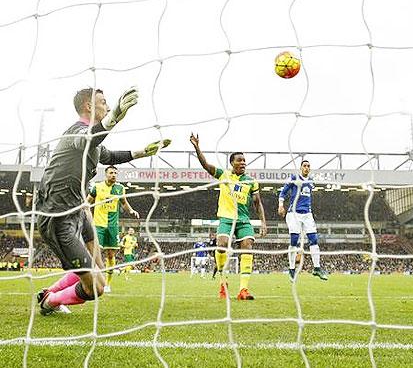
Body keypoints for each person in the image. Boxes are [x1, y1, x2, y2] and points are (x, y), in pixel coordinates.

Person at [35, 87, 170, 315]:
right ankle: (50, 301)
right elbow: (90, 139)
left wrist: (142, 153)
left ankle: (50, 291)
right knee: (96, 288)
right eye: (104, 102)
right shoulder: (76, 133)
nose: (107, 106)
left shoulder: (94, 145)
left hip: (78, 209)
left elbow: (109, 156)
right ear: (89, 106)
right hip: (57, 217)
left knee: (97, 260)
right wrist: (114, 116)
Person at [189, 133, 267, 300]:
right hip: (226, 218)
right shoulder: (224, 175)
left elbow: (257, 203)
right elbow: (206, 165)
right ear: (232, 162)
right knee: (222, 244)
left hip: (243, 220)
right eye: (239, 160)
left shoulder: (251, 181)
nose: (243, 163)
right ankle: (223, 284)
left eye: (244, 160)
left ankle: (243, 290)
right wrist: (197, 148)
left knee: (247, 247)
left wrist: (263, 222)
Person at [88, 165, 139, 292]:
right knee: (96, 254)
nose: (114, 175)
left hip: (113, 226)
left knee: (110, 255)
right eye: (111, 172)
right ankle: (93, 280)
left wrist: (131, 211)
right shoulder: (97, 187)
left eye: (115, 173)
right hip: (98, 224)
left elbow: (124, 203)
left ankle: (107, 284)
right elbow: (88, 202)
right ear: (106, 174)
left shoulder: (120, 188)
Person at [278, 160, 328, 282]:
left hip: (307, 214)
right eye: (304, 166)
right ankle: (291, 270)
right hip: (293, 213)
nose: (306, 168)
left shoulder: (311, 182)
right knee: (294, 240)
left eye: (308, 166)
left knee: (314, 240)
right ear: (300, 168)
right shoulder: (295, 178)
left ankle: (317, 268)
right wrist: (280, 205)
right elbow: (283, 192)